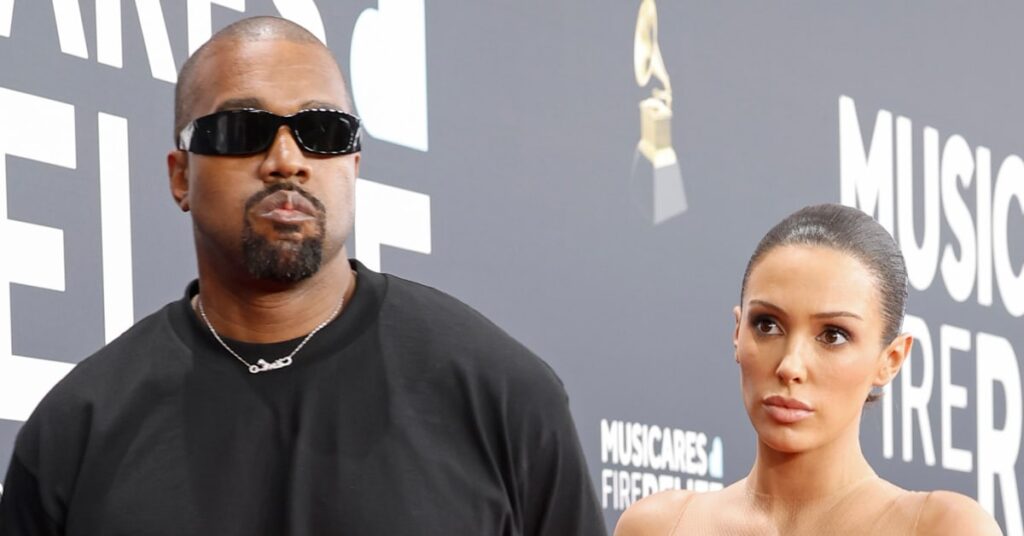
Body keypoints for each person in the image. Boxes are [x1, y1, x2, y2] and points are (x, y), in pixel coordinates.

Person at [0, 16, 604, 535]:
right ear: (180, 176)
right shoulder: (77, 430)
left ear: (354, 165)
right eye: (242, 131)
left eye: (323, 133)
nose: (287, 160)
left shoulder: (498, 393)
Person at [615, 204, 1003, 535]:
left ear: (891, 360)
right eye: (767, 325)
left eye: (833, 335)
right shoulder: (660, 527)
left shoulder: (942, 528)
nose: (790, 366)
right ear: (737, 332)